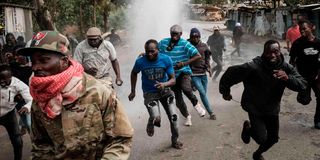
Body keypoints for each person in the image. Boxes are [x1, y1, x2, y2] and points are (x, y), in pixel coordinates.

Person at [17, 30, 134, 159]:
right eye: (33, 61)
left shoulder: (98, 92)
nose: (35, 67)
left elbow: (120, 139)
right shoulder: (40, 99)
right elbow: (41, 146)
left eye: (43, 60)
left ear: (64, 61)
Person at [219, 40, 306, 160]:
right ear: (264, 53)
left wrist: (287, 78)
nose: (272, 55)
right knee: (261, 139)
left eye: (275, 51)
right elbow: (231, 73)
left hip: (272, 109)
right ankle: (248, 128)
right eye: (268, 52)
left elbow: (302, 84)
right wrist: (225, 92)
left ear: (280, 51)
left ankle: (257, 154)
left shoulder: (286, 67)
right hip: (255, 108)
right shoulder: (254, 66)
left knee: (273, 139)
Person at [129, 39, 183, 149]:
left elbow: (173, 80)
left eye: (152, 51)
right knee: (156, 118)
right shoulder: (140, 61)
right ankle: (152, 120)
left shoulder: (166, 59)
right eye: (147, 51)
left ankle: (175, 140)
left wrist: (164, 84)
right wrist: (133, 91)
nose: (149, 54)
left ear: (158, 50)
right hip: (150, 93)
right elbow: (134, 73)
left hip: (165, 91)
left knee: (174, 117)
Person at [159, 24, 206, 126]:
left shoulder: (185, 44)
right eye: (172, 34)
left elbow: (197, 55)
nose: (174, 36)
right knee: (179, 101)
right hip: (171, 75)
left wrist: (184, 63)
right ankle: (187, 116)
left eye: (176, 34)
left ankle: (197, 105)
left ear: (180, 34)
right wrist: (145, 54)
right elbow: (156, 51)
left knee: (186, 89)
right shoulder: (163, 42)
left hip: (183, 72)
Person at [289, 19, 320, 129]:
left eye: (304, 29)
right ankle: (302, 95)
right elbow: (292, 61)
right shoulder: (297, 44)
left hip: (316, 76)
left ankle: (317, 121)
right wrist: (293, 76)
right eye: (301, 29)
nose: (302, 31)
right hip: (303, 77)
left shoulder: (318, 43)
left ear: (312, 28)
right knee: (304, 101)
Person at [0, 64, 32, 160]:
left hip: (9, 115)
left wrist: (27, 106)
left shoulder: (18, 84)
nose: (1, 81)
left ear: (10, 77)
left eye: (4, 79)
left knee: (17, 141)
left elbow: (30, 98)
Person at [188, 28, 216, 120]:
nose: (195, 38)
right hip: (194, 74)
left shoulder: (204, 46)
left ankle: (193, 90)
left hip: (203, 74)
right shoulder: (187, 46)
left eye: (197, 37)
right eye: (193, 37)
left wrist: (209, 68)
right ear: (190, 37)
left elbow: (207, 57)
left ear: (199, 37)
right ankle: (211, 113)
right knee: (203, 93)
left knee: (203, 93)